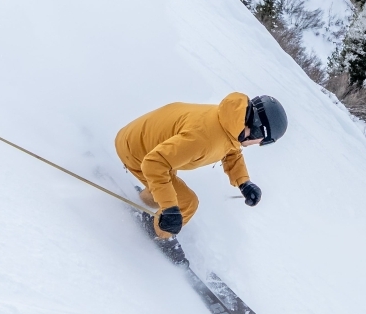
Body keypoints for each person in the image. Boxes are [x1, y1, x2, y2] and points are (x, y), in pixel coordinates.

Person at [116, 94, 287, 238]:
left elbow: (230, 150)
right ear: (259, 131)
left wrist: (244, 182)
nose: (259, 144)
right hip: (137, 152)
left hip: (143, 141)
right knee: (187, 203)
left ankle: (141, 201)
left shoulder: (230, 121)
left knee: (168, 190)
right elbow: (154, 164)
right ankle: (159, 234)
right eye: (264, 141)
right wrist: (170, 209)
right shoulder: (205, 139)